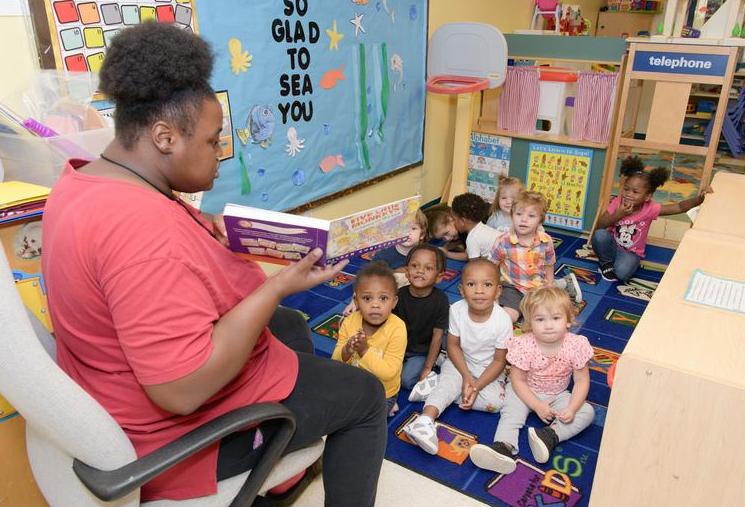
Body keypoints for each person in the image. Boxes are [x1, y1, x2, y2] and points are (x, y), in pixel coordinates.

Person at [41, 23, 386, 505]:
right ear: (164, 137)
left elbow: (150, 262)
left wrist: (194, 224)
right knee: (365, 395)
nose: (221, 153)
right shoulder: (140, 232)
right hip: (172, 436)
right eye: (212, 140)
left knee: (288, 325)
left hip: (106, 380)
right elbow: (180, 392)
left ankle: (279, 472)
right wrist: (273, 287)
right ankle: (278, 449)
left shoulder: (86, 182)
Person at [469, 287, 595, 474]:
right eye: (540, 319)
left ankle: (549, 436)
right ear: (529, 323)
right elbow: (517, 380)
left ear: (568, 320)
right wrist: (536, 405)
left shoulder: (576, 345)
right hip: (524, 391)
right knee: (511, 413)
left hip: (558, 394)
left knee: (587, 412)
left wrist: (572, 408)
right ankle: (503, 448)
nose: (549, 325)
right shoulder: (525, 345)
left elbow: (582, 381)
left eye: (556, 318)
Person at [402, 259, 512, 455]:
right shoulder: (457, 309)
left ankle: (436, 388)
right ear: (461, 290)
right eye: (471, 284)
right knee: (452, 381)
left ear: (498, 290)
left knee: (495, 404)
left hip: (488, 368)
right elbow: (452, 345)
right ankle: (424, 421)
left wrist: (476, 385)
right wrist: (466, 377)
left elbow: (499, 361)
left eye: (487, 285)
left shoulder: (503, 320)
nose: (479, 291)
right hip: (459, 360)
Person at [592, 155, 709, 283]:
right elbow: (601, 225)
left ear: (647, 196)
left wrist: (699, 199)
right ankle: (606, 264)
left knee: (622, 273)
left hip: (631, 253)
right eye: (626, 189)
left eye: (635, 192)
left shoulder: (650, 208)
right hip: (612, 246)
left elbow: (679, 207)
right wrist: (618, 215)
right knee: (600, 235)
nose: (628, 194)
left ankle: (616, 263)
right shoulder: (617, 202)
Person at [492, 191, 580, 323]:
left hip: (538, 287)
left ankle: (563, 283)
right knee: (509, 317)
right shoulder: (503, 241)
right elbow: (492, 266)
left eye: (531, 216)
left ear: (540, 220)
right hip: (512, 287)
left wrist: (549, 285)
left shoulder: (546, 240)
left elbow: (549, 264)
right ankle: (563, 283)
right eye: (519, 214)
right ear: (512, 215)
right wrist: (493, 293)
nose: (523, 219)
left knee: (548, 317)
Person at [332, 262, 407, 416]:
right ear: (356, 300)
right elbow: (336, 362)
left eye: (383, 298)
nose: (375, 305)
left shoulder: (398, 328)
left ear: (394, 302)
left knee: (364, 423)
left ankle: (389, 406)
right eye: (367, 298)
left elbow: (389, 372)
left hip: (382, 393)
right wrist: (347, 349)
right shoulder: (349, 321)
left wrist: (364, 350)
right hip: (353, 385)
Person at [393, 245, 450, 390]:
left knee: (406, 380)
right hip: (398, 347)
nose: (420, 271)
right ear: (406, 271)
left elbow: (437, 337)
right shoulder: (399, 295)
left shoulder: (441, 300)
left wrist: (427, 368)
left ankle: (438, 362)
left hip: (421, 351)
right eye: (414, 266)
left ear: (439, 277)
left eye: (428, 268)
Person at [450, 192, 501, 262]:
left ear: (462, 221)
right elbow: (467, 255)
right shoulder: (482, 227)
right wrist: (447, 254)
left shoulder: (472, 238)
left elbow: (474, 264)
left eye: (453, 219)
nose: (453, 223)